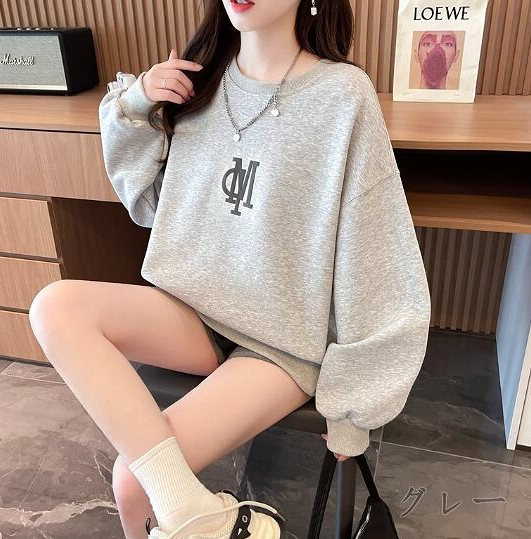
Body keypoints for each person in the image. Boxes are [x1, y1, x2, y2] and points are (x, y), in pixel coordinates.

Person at [29, 0, 432, 538]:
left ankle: (191, 514)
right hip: (192, 311)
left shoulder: (343, 96)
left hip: (280, 342)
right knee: (54, 307)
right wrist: (137, 104)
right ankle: (198, 517)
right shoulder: (199, 81)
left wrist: (353, 406)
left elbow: (374, 253)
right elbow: (150, 204)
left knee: (134, 481)